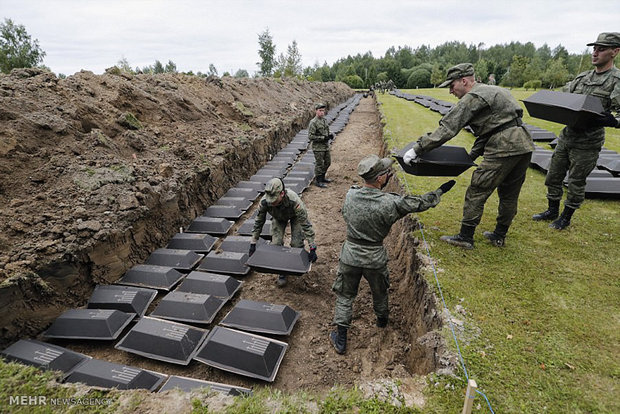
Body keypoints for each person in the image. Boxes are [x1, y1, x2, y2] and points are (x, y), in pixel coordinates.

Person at [329, 154, 455, 354]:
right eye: (387, 173)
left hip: (350, 254)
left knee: (345, 295)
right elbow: (419, 203)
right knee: (380, 292)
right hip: (374, 257)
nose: (389, 176)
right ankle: (382, 321)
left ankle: (341, 339)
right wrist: (439, 192)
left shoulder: (350, 195)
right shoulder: (391, 203)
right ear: (380, 178)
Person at [403, 63, 535, 249]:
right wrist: (470, 156)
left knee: (478, 188)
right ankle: (499, 235)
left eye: (452, 86)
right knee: (509, 193)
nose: (450, 91)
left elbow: (448, 128)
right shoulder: (494, 90)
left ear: (464, 81)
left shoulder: (472, 97)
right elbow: (495, 127)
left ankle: (465, 237)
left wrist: (418, 148)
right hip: (523, 144)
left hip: (504, 146)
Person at [532, 32, 620, 230]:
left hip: (589, 141)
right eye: (594, 48)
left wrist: (613, 121)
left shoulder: (616, 81)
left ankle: (566, 217)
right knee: (553, 175)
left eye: (601, 49)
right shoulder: (582, 78)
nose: (595, 53)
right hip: (567, 135)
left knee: (576, 181)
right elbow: (563, 99)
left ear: (615, 51)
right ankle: (552, 210)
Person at [249, 178, 317, 287]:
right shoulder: (264, 202)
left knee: (296, 244)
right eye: (270, 200)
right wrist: (253, 243)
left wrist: (312, 246)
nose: (272, 202)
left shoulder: (294, 201)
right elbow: (258, 222)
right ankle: (282, 272)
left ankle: (295, 266)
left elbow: (305, 224)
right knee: (275, 245)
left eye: (274, 199)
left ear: (282, 193)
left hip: (295, 217)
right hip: (278, 218)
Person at [308, 103, 333, 188]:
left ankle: (322, 177)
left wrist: (330, 135)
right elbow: (311, 136)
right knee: (319, 164)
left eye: (323, 111)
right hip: (318, 148)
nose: (322, 112)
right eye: (320, 111)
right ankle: (318, 180)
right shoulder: (313, 122)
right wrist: (323, 138)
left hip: (325, 146)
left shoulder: (324, 120)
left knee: (328, 162)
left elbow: (326, 131)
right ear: (316, 111)